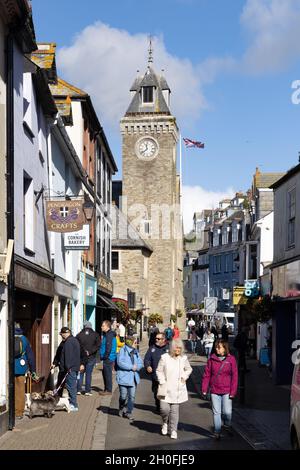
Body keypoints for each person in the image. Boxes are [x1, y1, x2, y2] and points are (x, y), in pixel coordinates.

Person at [202, 339, 238, 440]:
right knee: (216, 412)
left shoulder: (231, 359)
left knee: (227, 412)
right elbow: (207, 375)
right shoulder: (211, 359)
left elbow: (235, 376)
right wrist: (204, 389)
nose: (217, 349)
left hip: (227, 390)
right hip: (214, 390)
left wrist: (233, 391)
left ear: (225, 348)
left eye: (219, 347)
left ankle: (227, 425)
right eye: (216, 347)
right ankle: (217, 432)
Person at [156, 338, 192, 439]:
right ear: (172, 348)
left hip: (177, 389)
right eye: (176, 348)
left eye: (180, 348)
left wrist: (184, 377)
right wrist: (162, 380)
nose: (178, 350)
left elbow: (189, 369)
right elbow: (159, 371)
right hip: (166, 388)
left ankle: (173, 430)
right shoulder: (164, 357)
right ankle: (164, 422)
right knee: (164, 409)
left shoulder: (183, 358)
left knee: (174, 412)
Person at [51, 327, 81, 412]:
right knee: (70, 386)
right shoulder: (73, 340)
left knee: (71, 387)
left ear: (65, 333)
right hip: (72, 368)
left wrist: (68, 368)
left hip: (69, 369)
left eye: (61, 334)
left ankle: (73, 404)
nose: (61, 336)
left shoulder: (69, 342)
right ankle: (70, 403)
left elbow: (68, 356)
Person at [116, 336, 143, 421]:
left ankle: (129, 412)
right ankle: (121, 407)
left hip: (133, 378)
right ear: (130, 342)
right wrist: (131, 367)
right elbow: (120, 362)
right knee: (123, 396)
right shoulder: (122, 350)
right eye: (135, 342)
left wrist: (137, 367)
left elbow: (140, 362)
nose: (137, 344)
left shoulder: (136, 351)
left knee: (132, 396)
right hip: (124, 377)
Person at [14, 322, 37, 419]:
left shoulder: (8, 336)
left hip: (9, 367)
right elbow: (30, 357)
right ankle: (19, 412)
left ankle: (10, 410)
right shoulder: (24, 339)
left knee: (10, 390)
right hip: (21, 367)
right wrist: (33, 370)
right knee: (20, 390)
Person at [144, 332, 169, 412]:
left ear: (164, 339)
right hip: (155, 376)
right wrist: (148, 366)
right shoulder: (152, 348)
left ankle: (164, 407)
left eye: (158, 339)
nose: (156, 340)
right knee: (156, 392)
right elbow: (146, 359)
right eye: (156, 338)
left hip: (166, 376)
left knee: (166, 392)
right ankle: (158, 406)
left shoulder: (169, 348)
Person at [76, 321, 101, 396]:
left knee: (80, 373)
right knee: (88, 374)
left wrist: (83, 352)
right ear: (90, 326)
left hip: (81, 357)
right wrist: (89, 352)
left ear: (84, 326)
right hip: (91, 357)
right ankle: (87, 391)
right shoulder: (96, 334)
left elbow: (76, 345)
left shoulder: (79, 335)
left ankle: (78, 390)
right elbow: (98, 345)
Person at [99, 320, 117, 396]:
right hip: (107, 357)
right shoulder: (107, 334)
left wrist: (104, 357)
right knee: (105, 373)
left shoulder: (109, 335)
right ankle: (106, 389)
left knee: (108, 374)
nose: (101, 327)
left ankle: (108, 390)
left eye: (103, 326)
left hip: (108, 358)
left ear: (107, 326)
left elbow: (108, 347)